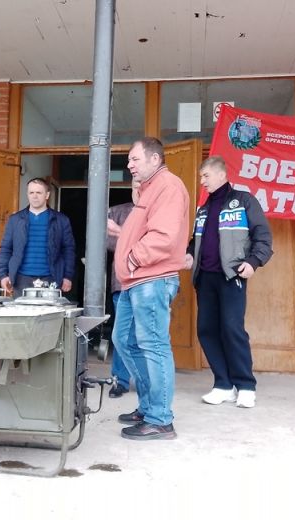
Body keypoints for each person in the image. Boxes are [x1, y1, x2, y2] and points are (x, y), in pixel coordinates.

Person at [109, 137, 189, 440]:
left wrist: (132, 259)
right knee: (123, 340)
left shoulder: (167, 186)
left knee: (153, 345)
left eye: (135, 159)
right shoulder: (149, 190)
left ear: (155, 159)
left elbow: (163, 236)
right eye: (128, 160)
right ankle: (148, 406)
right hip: (135, 280)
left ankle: (160, 419)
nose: (129, 165)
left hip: (151, 278)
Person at [183, 155, 273, 409]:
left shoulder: (244, 201)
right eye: (201, 177)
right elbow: (195, 240)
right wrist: (190, 254)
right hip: (205, 279)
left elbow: (263, 236)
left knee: (232, 329)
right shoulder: (203, 209)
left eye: (206, 176)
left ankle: (245, 386)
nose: (202, 181)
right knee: (206, 330)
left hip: (231, 276)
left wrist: (254, 262)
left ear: (221, 175)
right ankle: (223, 385)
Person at [0, 178, 75, 297]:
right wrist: (3, 275)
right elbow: (6, 248)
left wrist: (67, 276)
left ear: (47, 195)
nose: (34, 196)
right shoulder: (15, 220)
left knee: (49, 310)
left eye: (39, 192)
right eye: (31, 192)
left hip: (51, 278)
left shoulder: (61, 220)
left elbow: (68, 250)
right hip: (21, 278)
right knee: (22, 310)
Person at [105, 179, 140, 398]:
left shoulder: (158, 211)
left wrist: (121, 233)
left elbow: (156, 244)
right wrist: (131, 239)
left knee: (147, 335)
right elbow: (107, 243)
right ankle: (120, 380)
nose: (140, 190)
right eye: (136, 186)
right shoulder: (117, 211)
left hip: (151, 282)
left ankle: (147, 380)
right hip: (122, 283)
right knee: (122, 334)